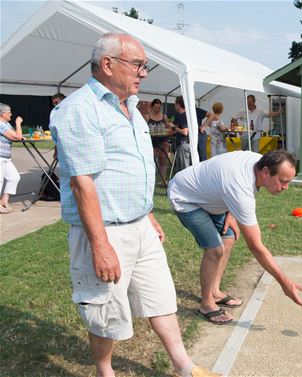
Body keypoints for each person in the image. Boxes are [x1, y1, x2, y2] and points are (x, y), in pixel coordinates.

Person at [49, 32, 220, 377]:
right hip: (105, 231)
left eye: (145, 66)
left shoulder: (131, 108)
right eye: (138, 65)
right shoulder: (79, 110)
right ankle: (104, 370)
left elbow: (134, 168)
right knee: (105, 311)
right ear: (108, 65)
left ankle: (185, 367)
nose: (144, 72)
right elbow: (83, 185)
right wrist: (100, 246)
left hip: (139, 225)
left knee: (161, 297)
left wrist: (148, 214)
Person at [167, 150, 302, 325]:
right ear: (265, 172)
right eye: (283, 181)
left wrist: (231, 213)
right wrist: (285, 283)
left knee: (229, 236)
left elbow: (227, 182)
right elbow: (256, 246)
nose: (286, 187)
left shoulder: (259, 163)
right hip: (185, 197)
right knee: (215, 249)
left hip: (210, 196)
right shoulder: (240, 188)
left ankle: (215, 291)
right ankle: (206, 303)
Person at [0, 103, 22, 214]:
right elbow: (17, 137)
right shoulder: (1, 124)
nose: (11, 114)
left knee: (14, 177)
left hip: (5, 157)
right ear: (3, 113)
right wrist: (18, 123)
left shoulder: (6, 124)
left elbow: (16, 135)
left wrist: (17, 133)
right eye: (9, 112)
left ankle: (4, 200)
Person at [145, 98, 174, 180]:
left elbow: (169, 128)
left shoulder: (164, 117)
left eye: (159, 108)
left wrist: (168, 130)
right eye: (156, 108)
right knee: (151, 161)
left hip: (163, 141)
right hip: (151, 142)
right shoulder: (148, 117)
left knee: (163, 161)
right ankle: (151, 179)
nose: (157, 110)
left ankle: (163, 180)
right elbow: (144, 129)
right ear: (152, 107)